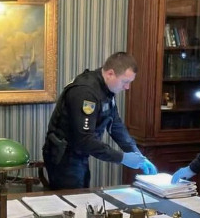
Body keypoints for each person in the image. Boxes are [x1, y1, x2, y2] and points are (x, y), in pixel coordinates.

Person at [43, 52, 157, 190]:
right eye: (125, 82)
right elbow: (84, 139)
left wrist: (137, 154)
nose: (127, 87)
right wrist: (122, 158)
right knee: (72, 199)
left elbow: (115, 125)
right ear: (110, 74)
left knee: (81, 194)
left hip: (79, 153)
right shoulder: (86, 92)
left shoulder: (106, 89)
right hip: (64, 156)